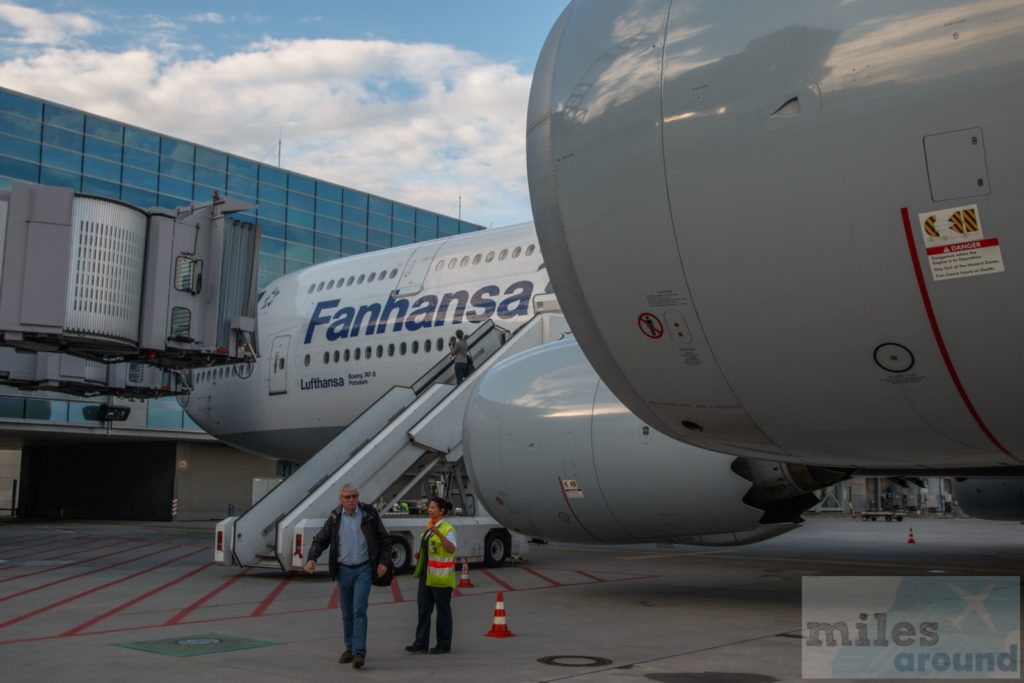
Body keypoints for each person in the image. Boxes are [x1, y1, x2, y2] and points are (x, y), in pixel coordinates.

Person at [305, 483, 392, 670]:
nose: (351, 500)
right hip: (343, 570)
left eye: (354, 496)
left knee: (359, 609)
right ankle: (349, 648)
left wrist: (383, 562)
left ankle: (359, 652)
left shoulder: (369, 515)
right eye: (347, 497)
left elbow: (384, 540)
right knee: (347, 612)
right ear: (341, 500)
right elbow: (321, 539)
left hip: (364, 569)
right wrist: (312, 558)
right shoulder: (336, 518)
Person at [405, 497, 458, 654]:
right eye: (429, 507)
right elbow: (431, 550)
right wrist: (419, 555)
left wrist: (440, 535)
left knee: (443, 611)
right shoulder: (429, 527)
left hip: (441, 577)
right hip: (427, 575)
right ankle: (421, 643)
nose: (429, 509)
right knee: (423, 610)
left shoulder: (447, 528)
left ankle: (443, 644)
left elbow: (450, 548)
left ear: (441, 510)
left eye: (433, 507)